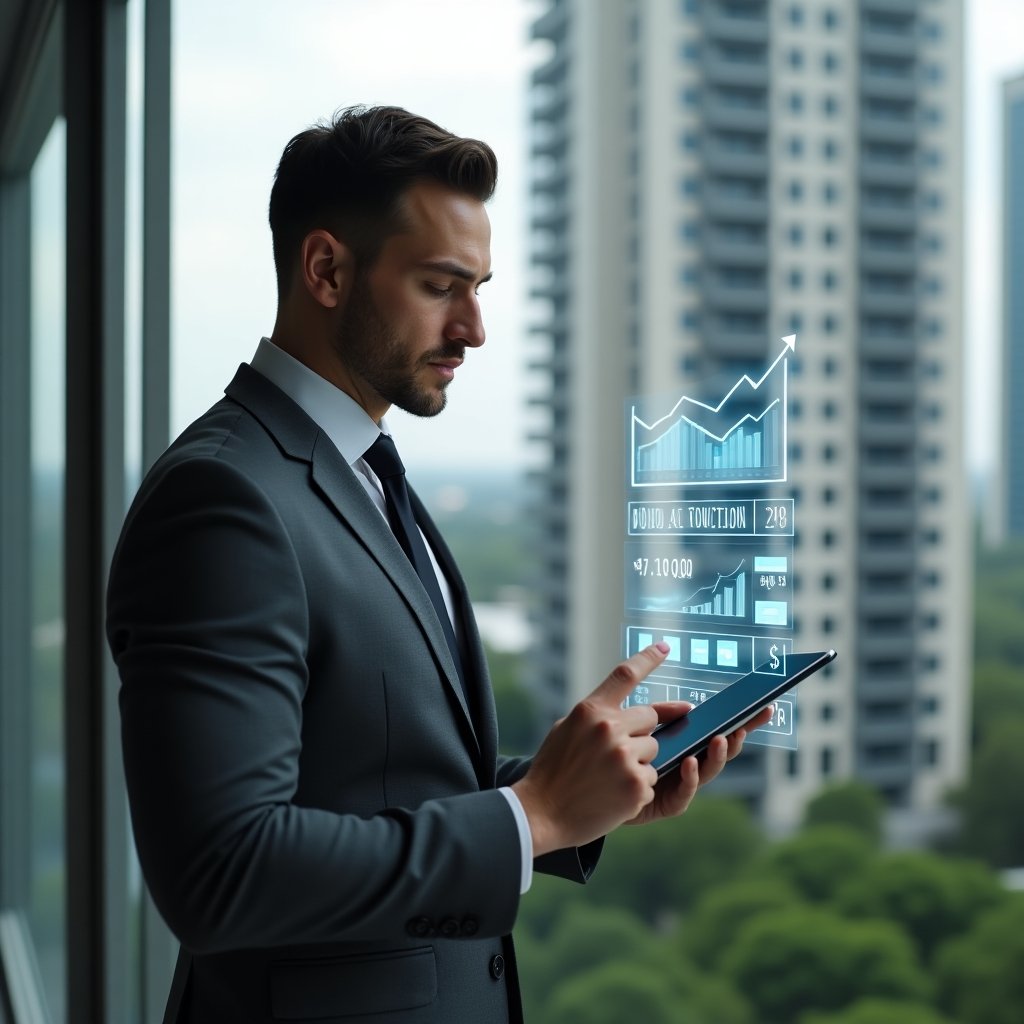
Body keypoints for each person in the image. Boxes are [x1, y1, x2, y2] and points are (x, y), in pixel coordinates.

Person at [106, 105, 768, 1024]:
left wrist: (577, 798)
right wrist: (529, 816)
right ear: (327, 270)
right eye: (440, 285)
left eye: (480, 286)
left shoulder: (364, 472)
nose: (475, 329)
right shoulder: (224, 500)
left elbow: (373, 785)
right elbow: (223, 872)